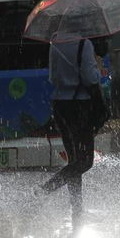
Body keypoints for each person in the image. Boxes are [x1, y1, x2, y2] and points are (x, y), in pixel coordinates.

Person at [35, 31, 102, 223]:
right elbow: (91, 78)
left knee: (74, 158)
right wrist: (97, 67)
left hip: (60, 105)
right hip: (80, 107)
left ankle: (77, 210)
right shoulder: (85, 44)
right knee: (85, 161)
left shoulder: (54, 41)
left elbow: (52, 77)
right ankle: (44, 190)